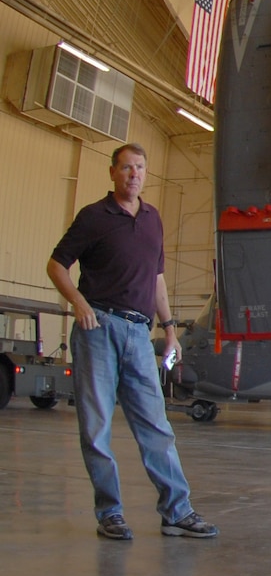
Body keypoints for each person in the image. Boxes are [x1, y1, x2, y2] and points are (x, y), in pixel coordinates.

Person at [47, 143, 217, 543]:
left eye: (140, 167)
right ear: (113, 173)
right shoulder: (93, 217)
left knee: (156, 427)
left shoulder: (153, 220)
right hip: (99, 331)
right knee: (96, 426)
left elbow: (156, 279)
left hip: (141, 335)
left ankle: (177, 512)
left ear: (145, 173)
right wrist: (78, 302)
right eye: (126, 168)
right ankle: (110, 513)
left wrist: (170, 329)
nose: (133, 174)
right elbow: (57, 265)